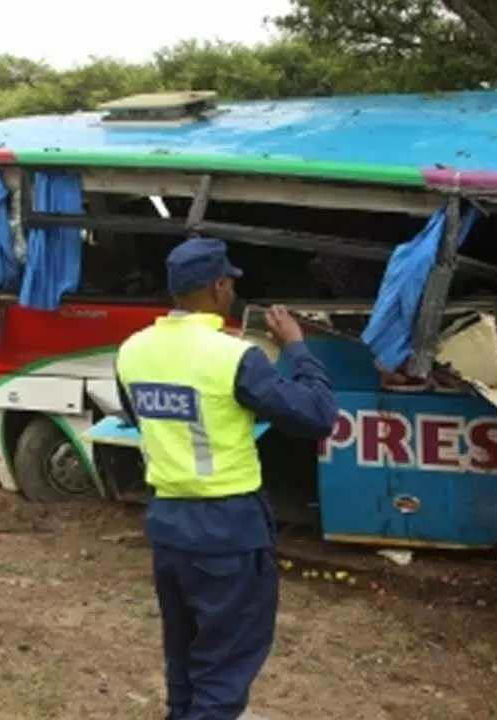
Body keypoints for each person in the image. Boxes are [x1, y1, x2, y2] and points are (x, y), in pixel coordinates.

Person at [115, 237, 337, 720]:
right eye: (231, 280)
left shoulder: (132, 351)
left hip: (169, 527)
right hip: (227, 532)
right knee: (224, 670)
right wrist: (296, 349)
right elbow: (318, 415)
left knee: (184, 657)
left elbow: (144, 419)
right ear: (218, 286)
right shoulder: (232, 357)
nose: (234, 287)